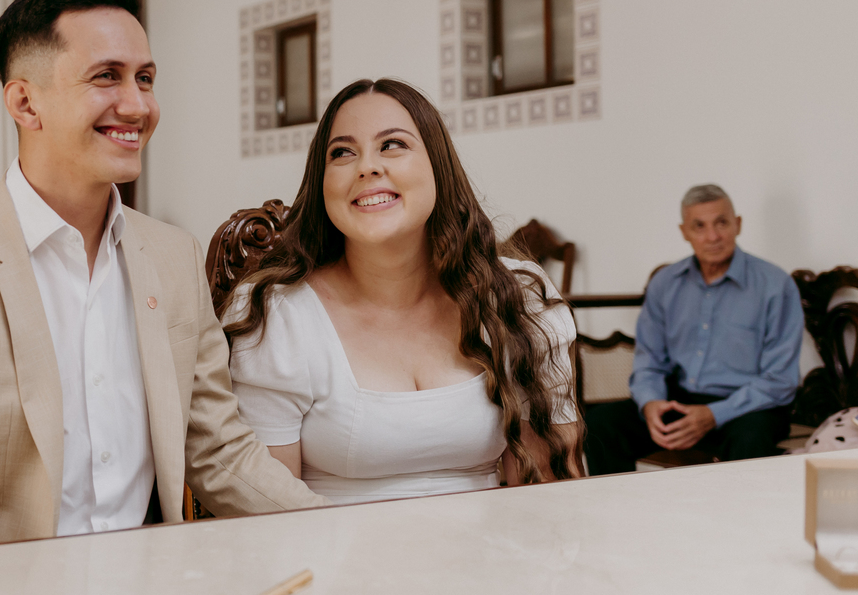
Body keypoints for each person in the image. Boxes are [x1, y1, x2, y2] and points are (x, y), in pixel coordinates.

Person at [0, 0, 326, 557]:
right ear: (25, 103)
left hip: (155, 589)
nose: (138, 105)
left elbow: (219, 453)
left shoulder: (174, 255)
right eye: (106, 76)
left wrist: (346, 535)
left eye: (145, 78)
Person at [223, 78, 583, 505]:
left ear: (438, 167)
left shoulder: (518, 299)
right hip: (331, 544)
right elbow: (271, 512)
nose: (367, 167)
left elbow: (550, 499)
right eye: (342, 152)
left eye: (392, 144)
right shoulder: (277, 316)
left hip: (490, 545)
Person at [584, 184, 802, 475]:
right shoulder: (665, 284)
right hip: (681, 401)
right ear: (684, 231)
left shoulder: (775, 285)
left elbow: (781, 380)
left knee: (751, 438)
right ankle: (618, 504)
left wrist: (714, 414)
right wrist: (651, 403)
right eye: (699, 226)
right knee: (601, 424)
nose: (712, 236)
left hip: (749, 406)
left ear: (737, 224)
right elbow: (649, 361)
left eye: (721, 223)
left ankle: (739, 508)